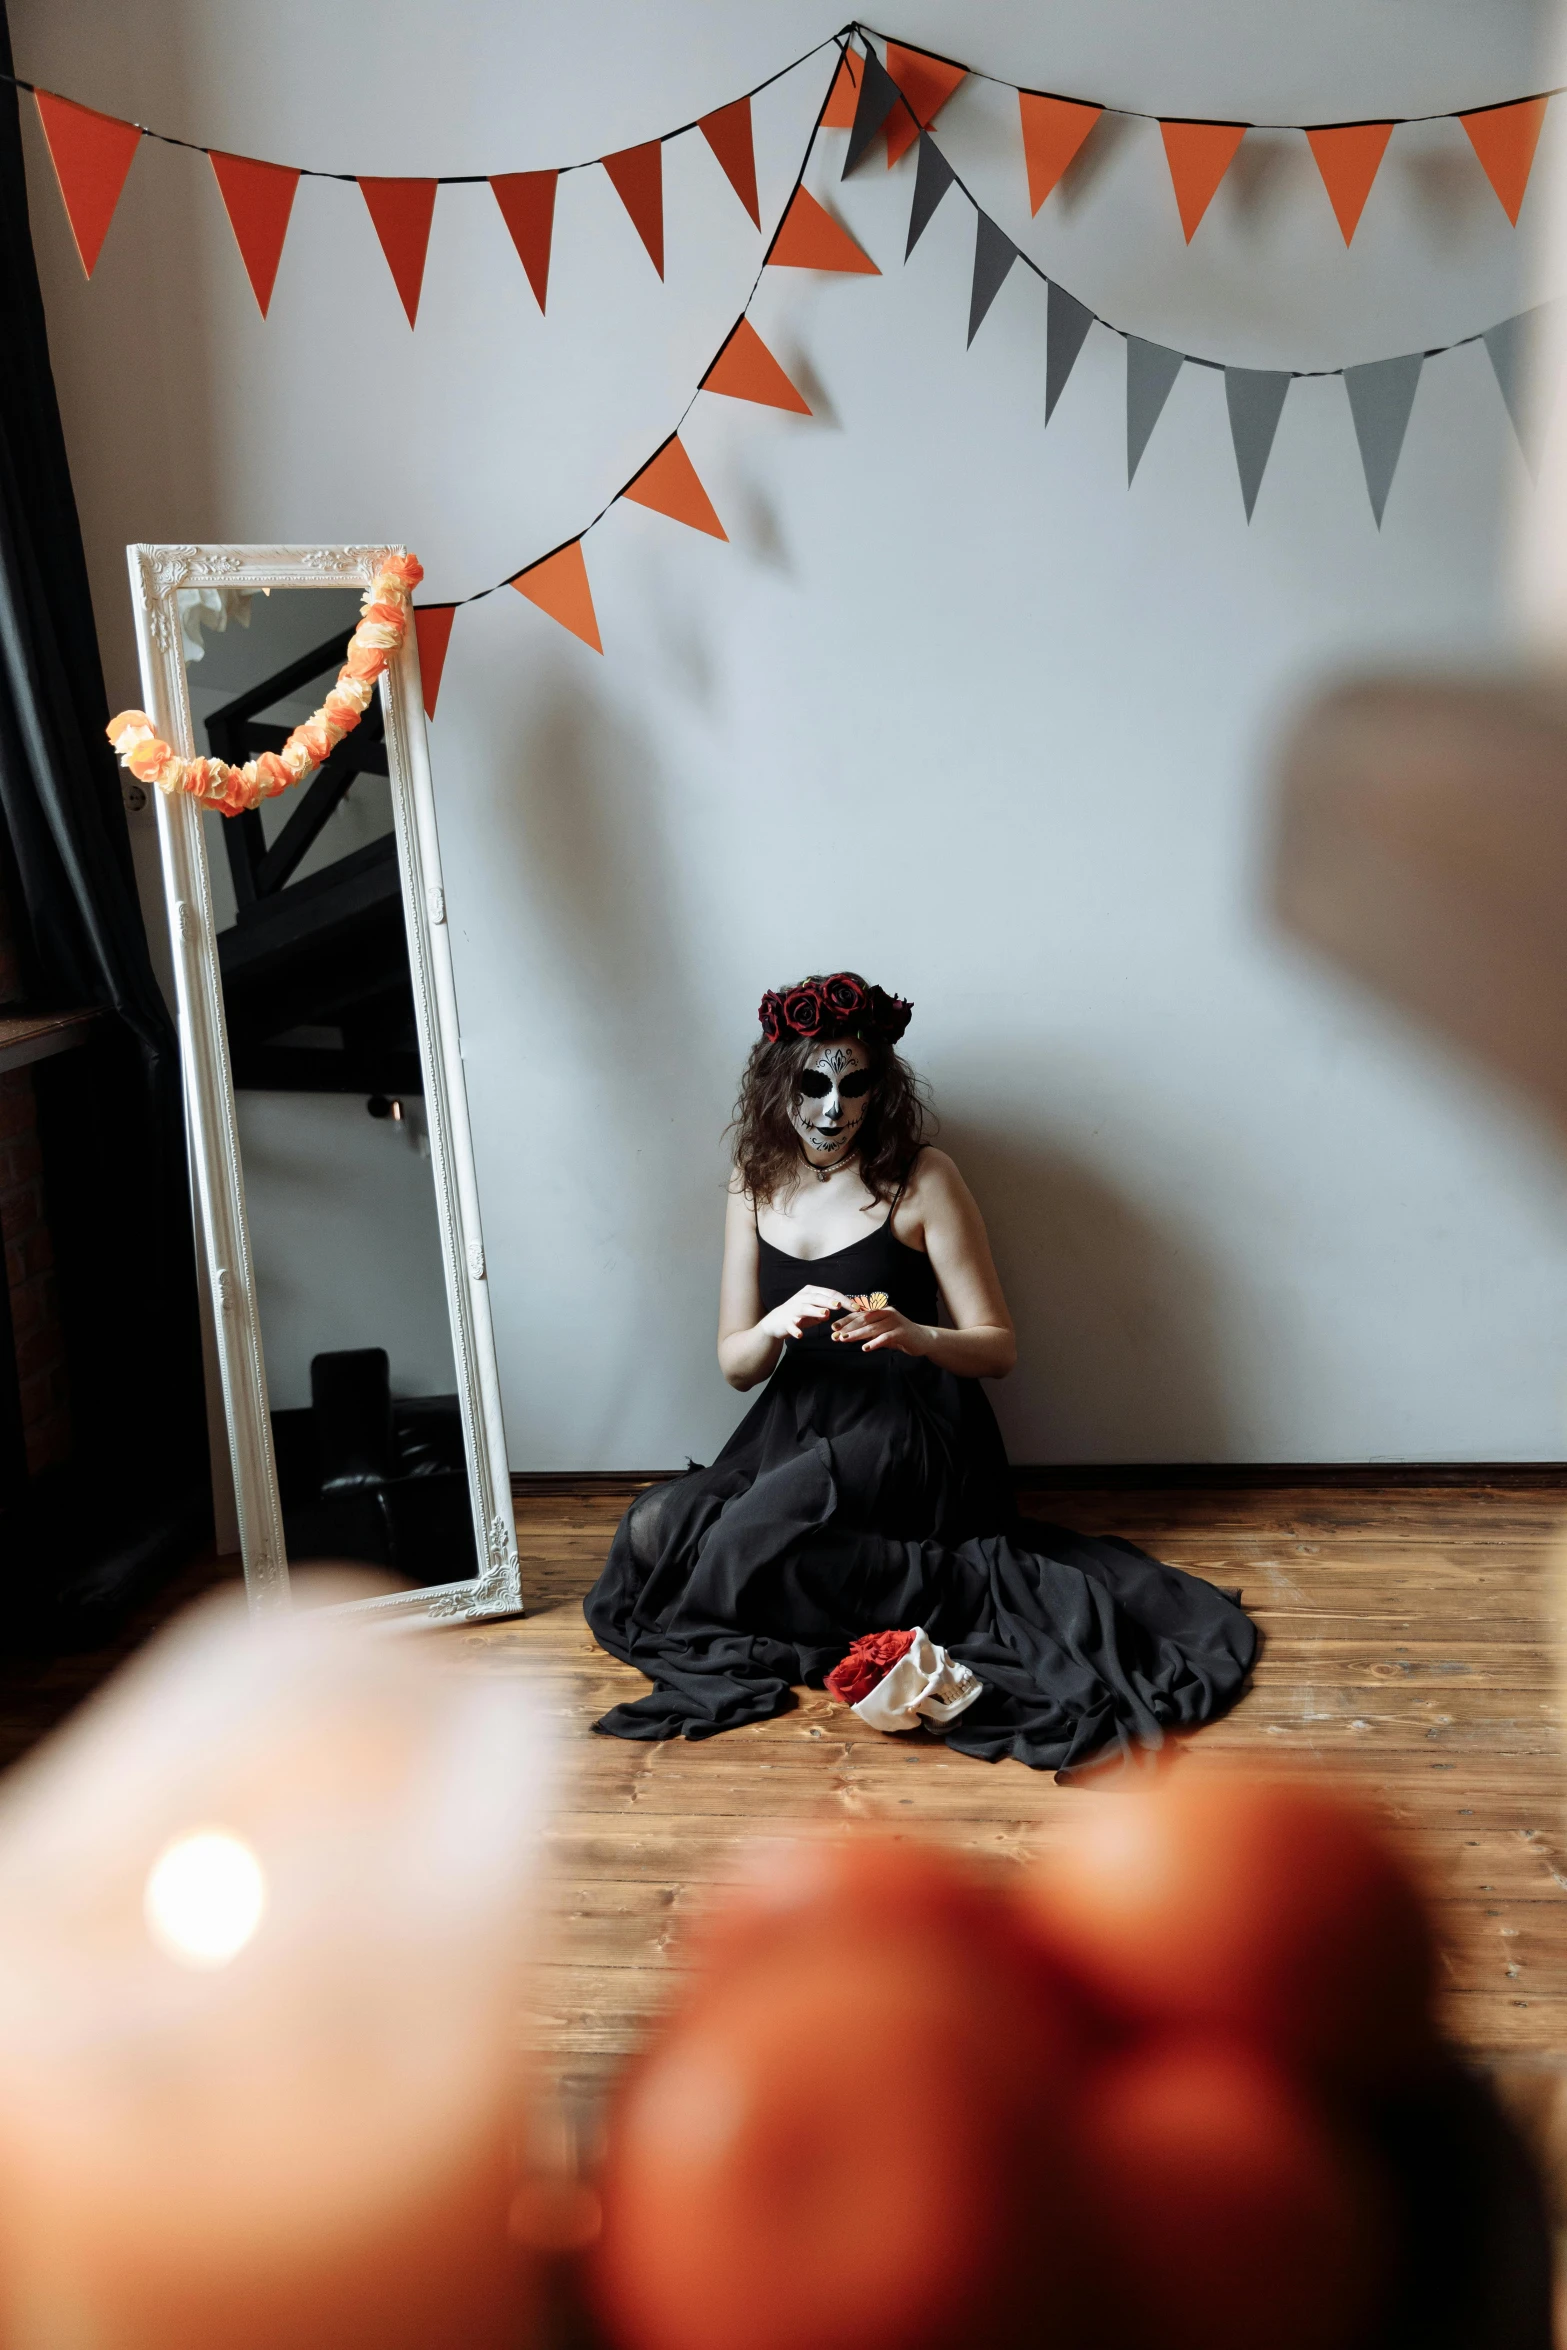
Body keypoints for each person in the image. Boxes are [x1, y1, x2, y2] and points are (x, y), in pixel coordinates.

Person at [585, 974, 1256, 1772]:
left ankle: (945, 1587)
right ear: (778, 1082)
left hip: (906, 1420)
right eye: (813, 1084)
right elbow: (736, 1367)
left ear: (880, 1088)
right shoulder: (752, 1179)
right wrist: (770, 1324)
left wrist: (915, 1333)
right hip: (798, 1414)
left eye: (854, 1084)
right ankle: (850, 1583)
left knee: (744, 1545)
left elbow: (997, 1347)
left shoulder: (922, 1177)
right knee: (655, 1529)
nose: (833, 1107)